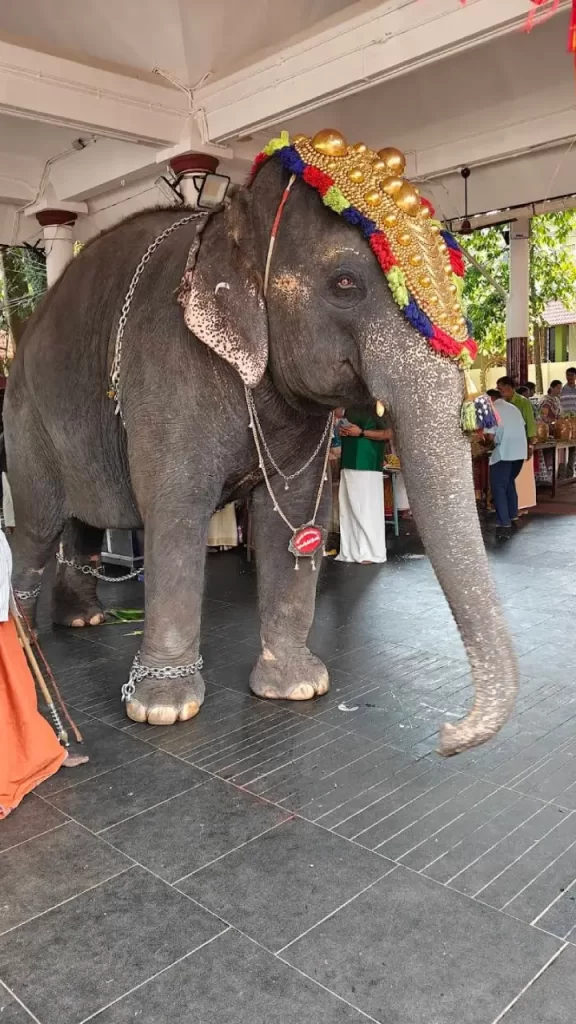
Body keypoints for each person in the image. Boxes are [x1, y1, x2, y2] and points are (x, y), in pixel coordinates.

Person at [336, 407, 392, 564]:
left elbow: (389, 433)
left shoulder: (378, 407)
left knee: (366, 509)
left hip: (368, 462)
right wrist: (344, 431)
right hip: (348, 460)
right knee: (348, 510)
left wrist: (361, 433)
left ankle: (371, 552)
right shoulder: (350, 407)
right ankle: (351, 551)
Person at [485, 390, 527, 539]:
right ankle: (513, 515)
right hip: (519, 453)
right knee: (509, 482)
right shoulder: (513, 408)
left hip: (504, 453)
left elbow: (490, 436)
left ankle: (504, 522)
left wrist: (485, 443)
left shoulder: (492, 410)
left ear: (490, 399)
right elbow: (522, 426)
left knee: (499, 488)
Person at [497, 376, 536, 512]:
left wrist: (530, 445)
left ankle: (521, 506)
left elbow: (530, 424)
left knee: (520, 479)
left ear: (509, 388)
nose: (499, 392)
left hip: (521, 444)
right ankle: (512, 508)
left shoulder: (523, 402)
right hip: (506, 445)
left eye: (501, 389)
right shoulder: (501, 403)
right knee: (509, 479)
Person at [560, 368, 576, 478]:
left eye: (571, 375)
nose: (569, 377)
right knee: (561, 449)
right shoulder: (561, 390)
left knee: (573, 449)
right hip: (563, 423)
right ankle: (561, 474)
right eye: (568, 375)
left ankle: (570, 474)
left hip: (575, 423)